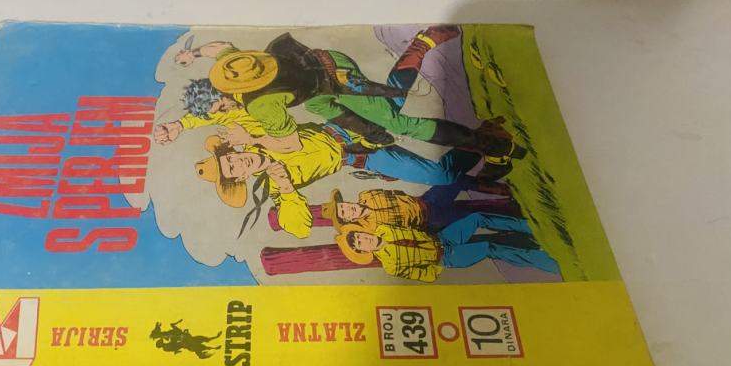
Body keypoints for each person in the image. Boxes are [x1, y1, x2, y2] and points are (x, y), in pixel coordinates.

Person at [174, 28, 523, 162]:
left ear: (222, 99)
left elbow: (291, 143)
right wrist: (195, 53)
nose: (223, 112)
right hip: (321, 75)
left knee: (398, 121)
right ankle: (375, 131)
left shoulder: (260, 106)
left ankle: (490, 144)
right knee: (335, 111)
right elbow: (220, 46)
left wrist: (251, 138)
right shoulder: (234, 65)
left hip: (335, 79)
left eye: (219, 109)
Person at [193, 122, 509, 239]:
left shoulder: (258, 133)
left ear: (235, 151)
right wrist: (287, 189)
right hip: (362, 157)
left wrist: (254, 137)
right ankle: (487, 139)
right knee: (438, 175)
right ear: (242, 177)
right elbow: (299, 228)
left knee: (416, 126)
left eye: (231, 158)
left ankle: (486, 141)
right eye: (233, 170)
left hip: (351, 127)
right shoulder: (277, 185)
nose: (238, 163)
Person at [335, 214, 561, 283]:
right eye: (360, 243)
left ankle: (530, 226)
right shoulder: (390, 265)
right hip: (447, 256)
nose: (364, 239)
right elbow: (423, 275)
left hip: (443, 237)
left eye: (361, 235)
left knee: (477, 218)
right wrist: (438, 261)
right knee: (489, 247)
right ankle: (547, 262)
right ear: (363, 251)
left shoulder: (385, 229)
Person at [321, 185, 521, 233]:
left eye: (344, 205)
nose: (348, 209)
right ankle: (513, 213)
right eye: (344, 213)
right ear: (349, 220)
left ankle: (504, 190)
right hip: (431, 220)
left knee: (454, 180)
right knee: (471, 213)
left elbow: (397, 193)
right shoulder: (371, 228)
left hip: (426, 200)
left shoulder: (367, 195)